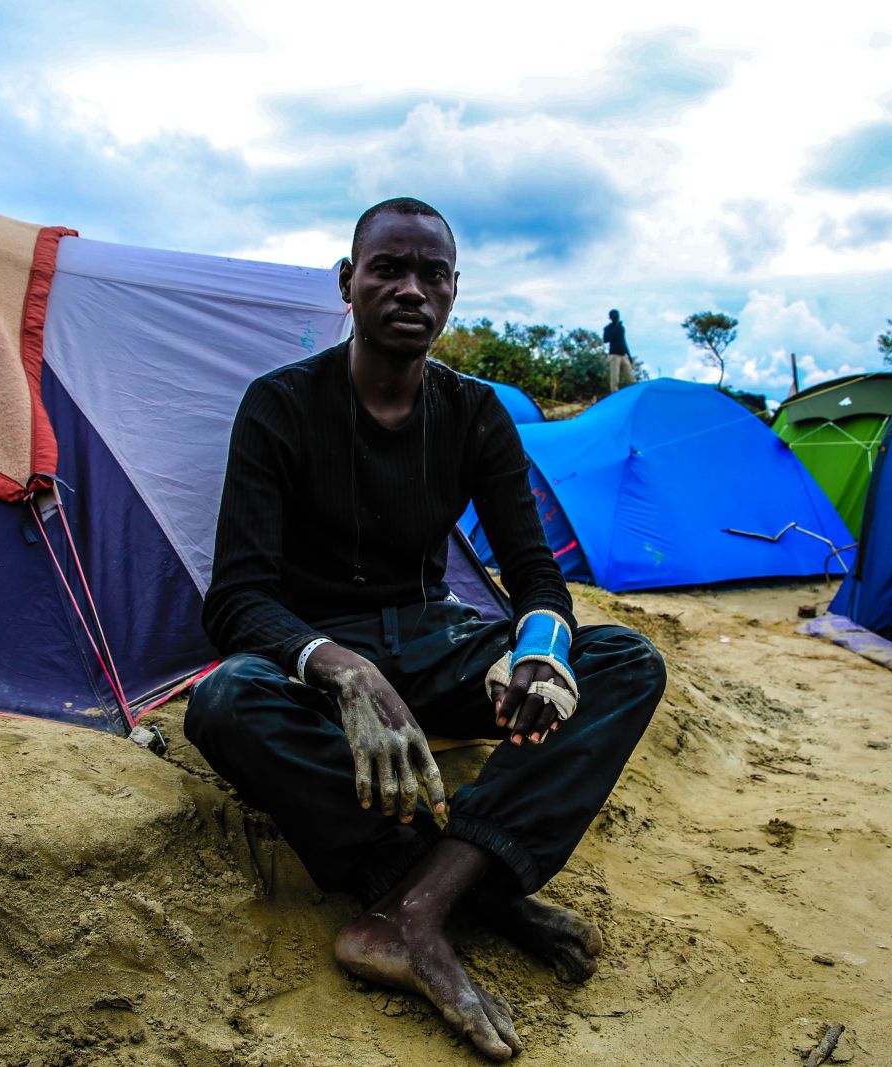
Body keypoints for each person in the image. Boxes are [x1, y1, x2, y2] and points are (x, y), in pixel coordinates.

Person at [185, 197, 666, 1062]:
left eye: (431, 274)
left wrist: (542, 650)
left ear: (453, 293)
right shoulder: (280, 406)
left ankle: (418, 907)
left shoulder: (477, 413)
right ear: (348, 284)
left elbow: (535, 576)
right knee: (225, 701)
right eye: (387, 269)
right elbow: (238, 599)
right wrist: (341, 669)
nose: (410, 288)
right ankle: (479, 894)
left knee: (624, 660)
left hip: (435, 639)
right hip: (320, 650)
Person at [603, 309, 634, 391]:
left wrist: (629, 355)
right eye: (614, 317)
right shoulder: (608, 328)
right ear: (610, 318)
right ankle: (614, 395)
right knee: (615, 379)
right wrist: (615, 328)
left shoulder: (621, 328)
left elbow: (623, 341)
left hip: (623, 354)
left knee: (631, 377)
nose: (616, 318)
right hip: (614, 355)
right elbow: (606, 339)